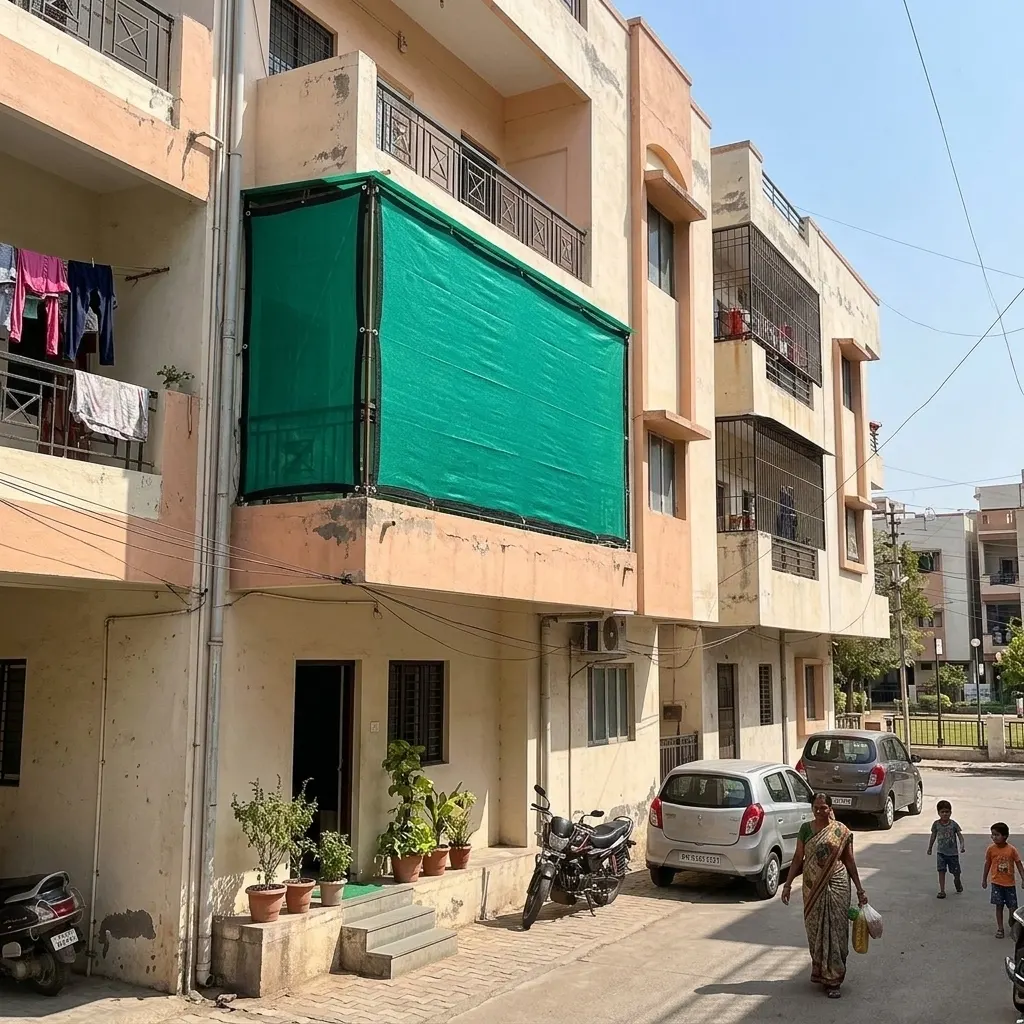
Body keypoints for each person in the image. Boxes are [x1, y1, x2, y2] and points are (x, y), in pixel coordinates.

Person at [781, 792, 868, 999]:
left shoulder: (840, 831)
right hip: (812, 887)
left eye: (824, 807)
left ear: (830, 808)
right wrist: (787, 884)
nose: (820, 811)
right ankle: (821, 972)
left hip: (838, 884)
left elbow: (849, 861)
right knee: (815, 930)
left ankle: (835, 979)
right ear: (812, 809)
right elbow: (797, 858)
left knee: (837, 930)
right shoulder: (805, 829)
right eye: (816, 807)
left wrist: (859, 888)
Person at [982, 822, 1024, 938]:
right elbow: (987, 864)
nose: (994, 837)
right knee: (999, 906)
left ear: (1005, 836)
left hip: (1009, 884)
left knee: (1012, 908)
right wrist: (984, 879)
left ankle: (1012, 924)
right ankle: (1000, 928)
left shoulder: (1011, 850)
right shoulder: (991, 849)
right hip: (996, 883)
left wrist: (1023, 878)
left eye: (997, 835)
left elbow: (1019, 864)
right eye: (992, 835)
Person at [927, 800, 965, 898]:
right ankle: (942, 890)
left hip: (953, 854)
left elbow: (960, 836)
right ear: (938, 813)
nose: (945, 814)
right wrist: (930, 847)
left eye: (947, 812)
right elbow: (933, 836)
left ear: (950, 812)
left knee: (956, 872)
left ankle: (957, 881)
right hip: (941, 853)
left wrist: (962, 845)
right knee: (941, 871)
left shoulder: (953, 824)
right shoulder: (936, 824)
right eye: (942, 812)